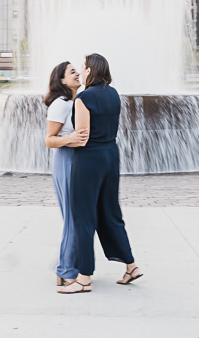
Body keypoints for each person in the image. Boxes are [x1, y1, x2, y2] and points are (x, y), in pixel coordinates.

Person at [58, 53, 142, 294]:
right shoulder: (113, 93)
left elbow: (82, 137)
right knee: (111, 213)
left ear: (91, 70)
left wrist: (61, 141)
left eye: (83, 67)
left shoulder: (84, 97)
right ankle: (131, 266)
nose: (81, 72)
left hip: (89, 160)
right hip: (111, 156)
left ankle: (84, 278)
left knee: (83, 217)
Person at [44, 62, 88, 287]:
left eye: (77, 70)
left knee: (77, 218)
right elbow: (49, 139)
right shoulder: (60, 104)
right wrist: (69, 140)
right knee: (73, 219)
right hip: (66, 161)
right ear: (61, 80)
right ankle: (66, 270)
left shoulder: (73, 102)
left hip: (76, 161)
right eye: (72, 72)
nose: (78, 73)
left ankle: (71, 267)